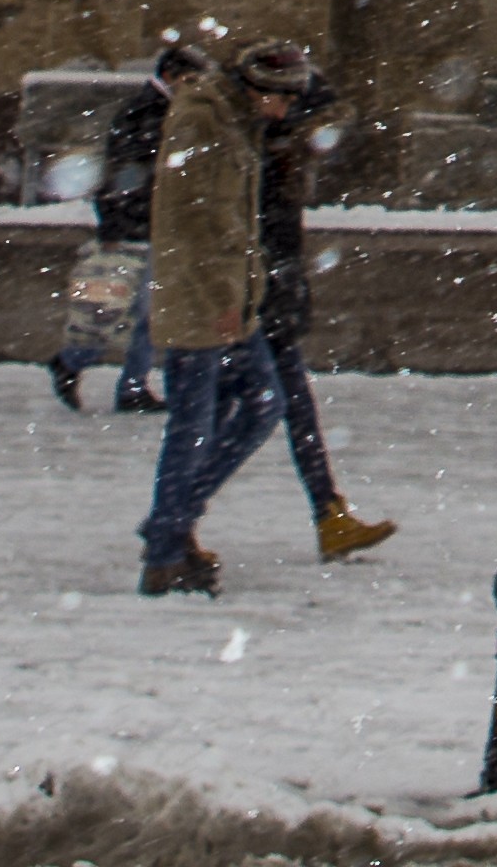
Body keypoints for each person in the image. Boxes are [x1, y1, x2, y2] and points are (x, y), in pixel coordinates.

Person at [133, 39, 316, 595]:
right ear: (256, 89)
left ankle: (171, 524)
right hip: (204, 301)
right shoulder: (205, 121)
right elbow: (201, 222)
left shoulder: (231, 121)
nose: (283, 112)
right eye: (280, 100)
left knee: (256, 406)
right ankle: (165, 549)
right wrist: (222, 300)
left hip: (228, 298)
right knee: (199, 421)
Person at [251, 49, 394, 560]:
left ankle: (328, 511)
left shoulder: (272, 153)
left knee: (281, 410)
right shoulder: (260, 152)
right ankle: (170, 520)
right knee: (244, 417)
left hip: (267, 293)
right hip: (251, 297)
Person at [53, 54, 184, 413]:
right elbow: (120, 172)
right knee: (114, 311)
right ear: (171, 76)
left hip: (147, 225)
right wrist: (113, 222)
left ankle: (129, 384)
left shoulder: (158, 111)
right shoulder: (146, 112)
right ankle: (77, 362)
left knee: (140, 312)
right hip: (136, 227)